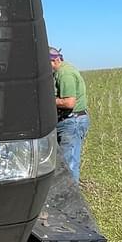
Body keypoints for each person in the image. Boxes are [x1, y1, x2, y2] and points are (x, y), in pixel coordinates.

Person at [50, 47, 89, 182]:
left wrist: (48, 100)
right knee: (65, 162)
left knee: (69, 164)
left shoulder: (65, 74)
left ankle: (70, 192)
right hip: (68, 121)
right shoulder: (61, 72)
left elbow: (69, 102)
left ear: (55, 60)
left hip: (72, 122)